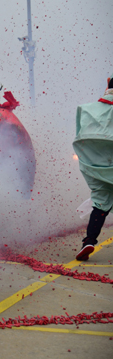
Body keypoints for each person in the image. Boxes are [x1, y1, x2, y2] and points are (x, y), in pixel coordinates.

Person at [73, 73, 113, 261]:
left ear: (107, 85)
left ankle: (88, 241)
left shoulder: (85, 109)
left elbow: (79, 136)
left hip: (97, 167)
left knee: (100, 204)